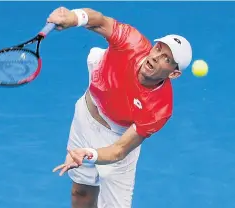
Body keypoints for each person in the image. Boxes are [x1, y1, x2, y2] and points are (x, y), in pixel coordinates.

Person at [48, 6, 192, 208]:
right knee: (81, 191)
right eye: (159, 48)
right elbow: (99, 21)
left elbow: (119, 150)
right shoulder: (131, 42)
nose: (155, 57)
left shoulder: (159, 108)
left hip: (117, 138)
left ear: (174, 74)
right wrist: (71, 17)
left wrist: (90, 154)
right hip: (86, 115)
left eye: (166, 59)